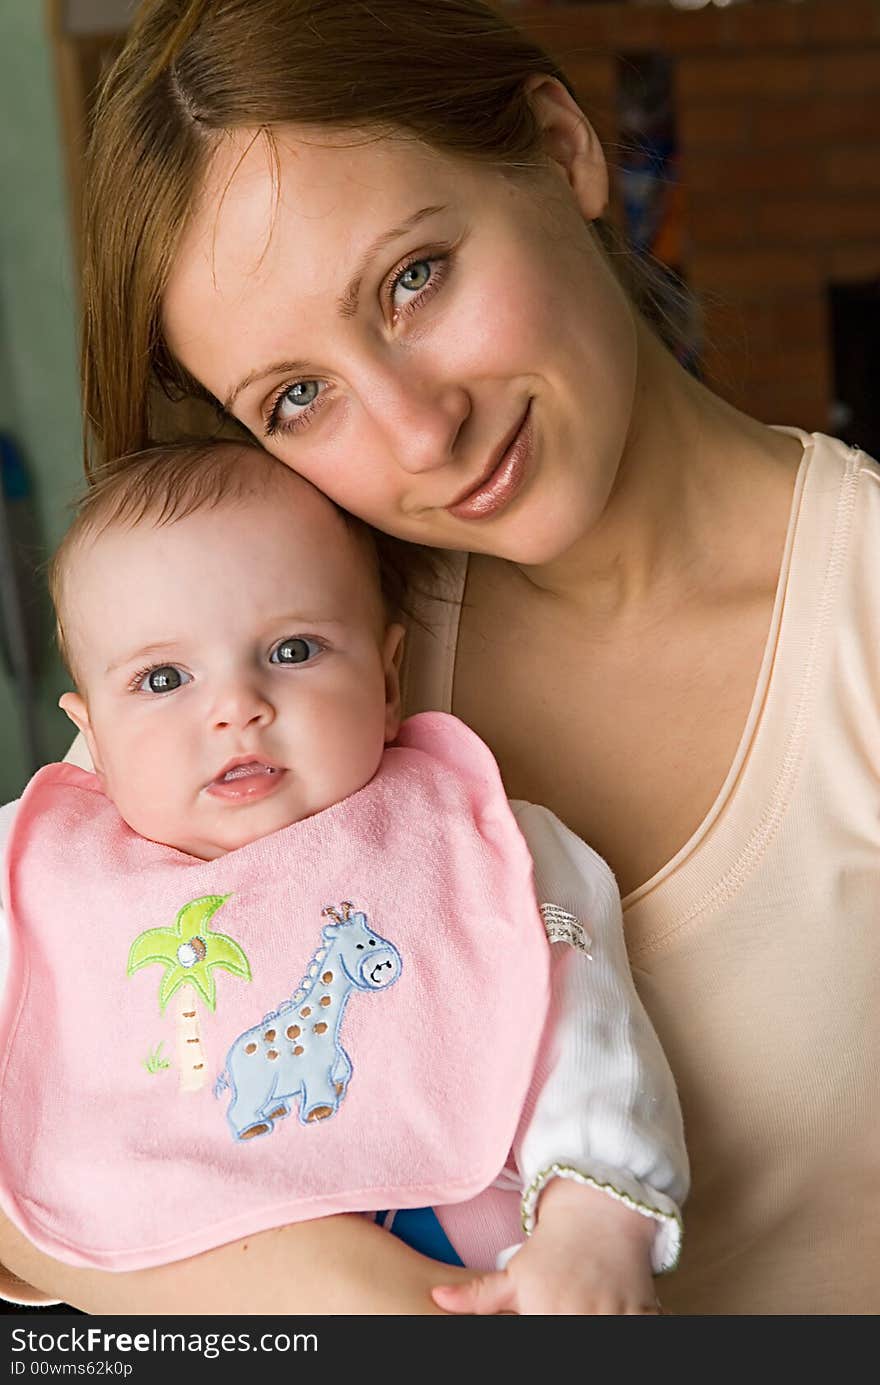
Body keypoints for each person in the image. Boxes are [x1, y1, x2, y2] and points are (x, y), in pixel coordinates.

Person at [2, 0, 878, 1314]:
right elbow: (46, 1157)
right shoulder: (284, 645)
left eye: (415, 277)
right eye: (298, 395)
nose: (418, 433)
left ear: (562, 145)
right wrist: (354, 1297)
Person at [0, 440, 686, 1316]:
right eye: (163, 677)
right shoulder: (46, 884)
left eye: (292, 650)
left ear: (388, 677)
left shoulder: (479, 845)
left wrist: (596, 1217)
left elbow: (587, 1030)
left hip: (482, 1280)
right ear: (90, 735)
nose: (235, 704)